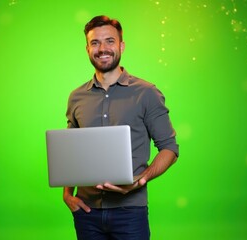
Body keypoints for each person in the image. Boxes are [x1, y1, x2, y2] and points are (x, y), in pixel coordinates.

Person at [63, 15, 179, 240]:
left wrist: (140, 180)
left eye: (109, 41)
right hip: (86, 213)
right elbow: (70, 152)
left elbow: (170, 149)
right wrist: (67, 195)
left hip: (130, 212)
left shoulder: (146, 93)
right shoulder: (76, 97)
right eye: (95, 43)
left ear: (121, 46)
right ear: (87, 49)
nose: (102, 48)